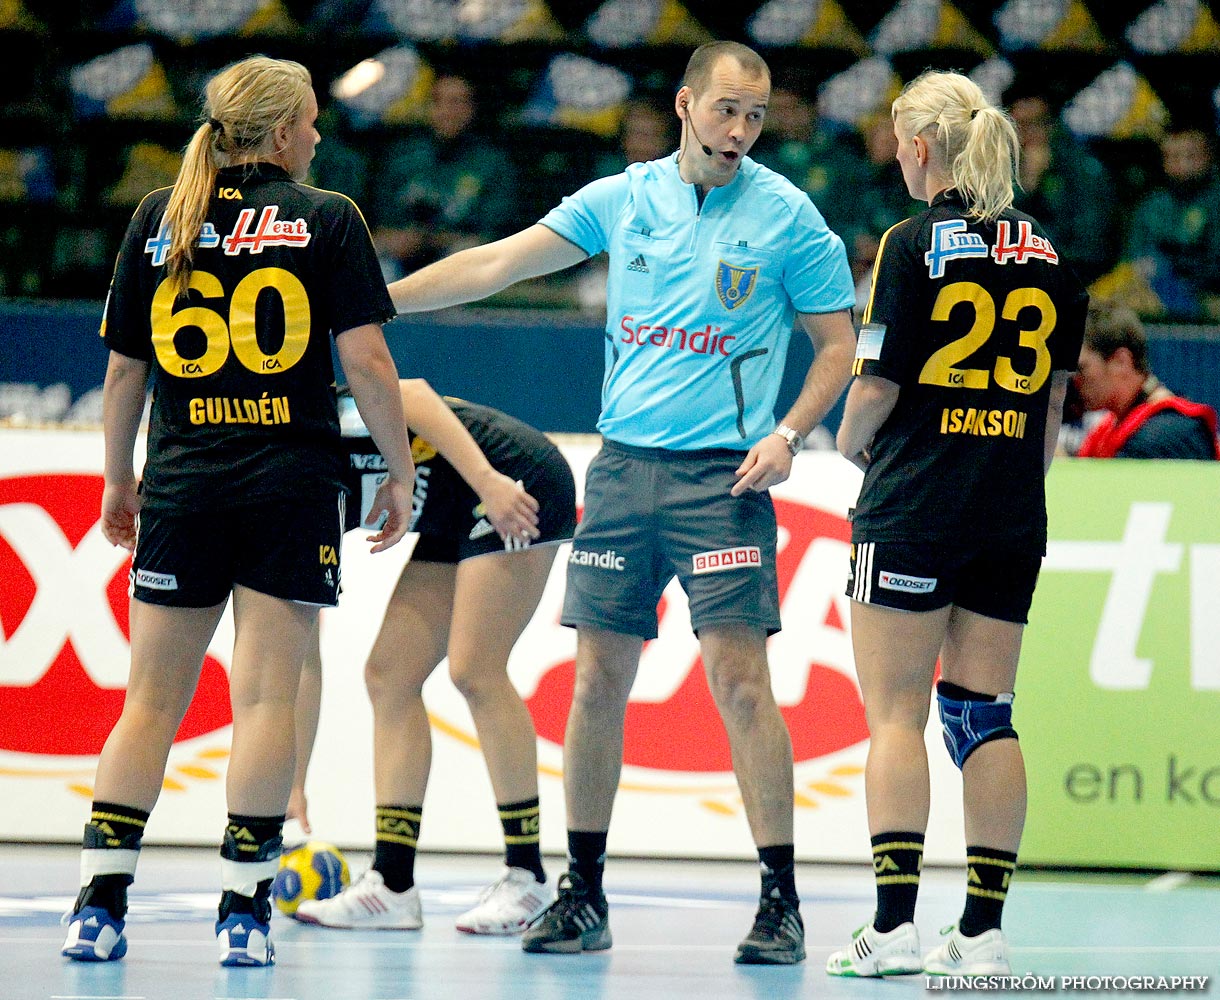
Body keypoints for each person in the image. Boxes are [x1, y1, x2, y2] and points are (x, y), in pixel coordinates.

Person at [384, 40, 858, 965]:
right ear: (686, 104)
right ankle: (584, 895)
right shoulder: (623, 197)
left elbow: (837, 345)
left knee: (741, 685)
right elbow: (498, 264)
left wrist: (791, 433)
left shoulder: (791, 218)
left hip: (724, 479)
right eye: (726, 110)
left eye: (755, 117)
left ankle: (780, 903)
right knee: (598, 683)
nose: (740, 131)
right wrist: (373, 305)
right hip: (621, 471)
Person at [60, 55, 415, 968]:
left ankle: (98, 907)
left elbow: (122, 372)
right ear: (284, 127)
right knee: (264, 699)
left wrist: (117, 479)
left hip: (184, 483)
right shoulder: (329, 219)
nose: (320, 135)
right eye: (310, 120)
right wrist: (400, 469)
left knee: (148, 704)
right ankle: (244, 914)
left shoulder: (160, 216)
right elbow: (370, 367)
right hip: (289, 488)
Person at [826, 70, 1088, 978]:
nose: (896, 154)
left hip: (913, 504)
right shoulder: (1056, 255)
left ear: (925, 146)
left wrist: (846, 448)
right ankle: (983, 935)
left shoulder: (909, 243)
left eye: (901, 140)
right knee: (985, 717)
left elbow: (876, 383)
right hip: (1011, 512)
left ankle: (892, 929)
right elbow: (1053, 407)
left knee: (894, 716)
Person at [289, 378, 577, 934]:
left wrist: (489, 482)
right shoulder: (290, 508)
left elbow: (414, 394)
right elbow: (302, 656)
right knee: (389, 675)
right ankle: (392, 886)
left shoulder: (316, 427)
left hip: (512, 478)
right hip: (448, 508)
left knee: (475, 668)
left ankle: (529, 878)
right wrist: (293, 785)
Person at [368, 72, 519, 280]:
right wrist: (398, 239)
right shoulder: (401, 157)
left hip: (458, 257)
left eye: (456, 102)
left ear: (471, 109)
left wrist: (430, 239)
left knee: (466, 258)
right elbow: (382, 224)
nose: (447, 111)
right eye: (438, 102)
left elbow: (494, 236)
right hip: (401, 257)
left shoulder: (493, 163)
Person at [1074, 304, 1219, 460]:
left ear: (1120, 362)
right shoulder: (1109, 430)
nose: (1075, 380)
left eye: (1081, 368)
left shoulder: (1166, 434)